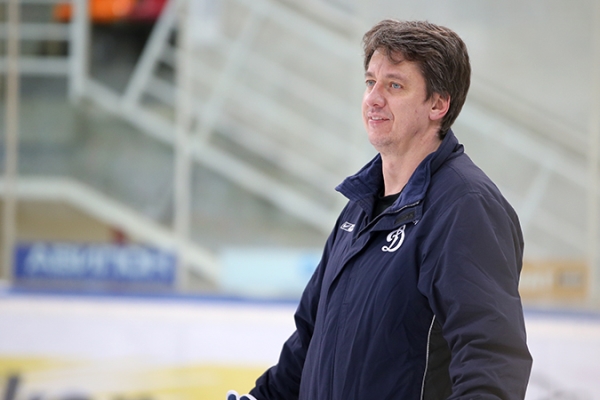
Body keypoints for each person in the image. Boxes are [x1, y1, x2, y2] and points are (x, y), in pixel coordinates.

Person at [228, 19, 532, 400]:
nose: (373, 98)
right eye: (370, 82)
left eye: (394, 85)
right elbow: (310, 341)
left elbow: (491, 362)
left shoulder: (465, 208)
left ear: (438, 104)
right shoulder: (359, 208)